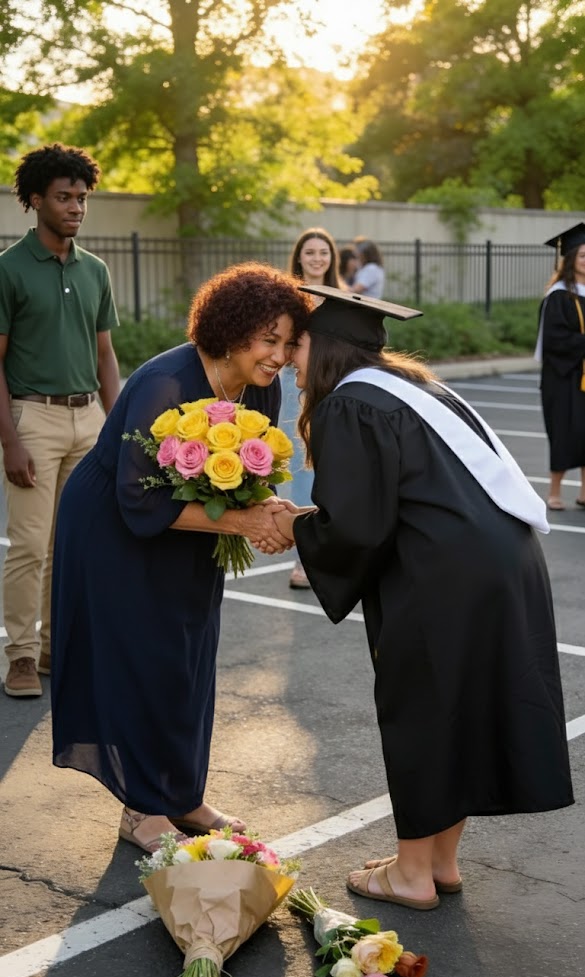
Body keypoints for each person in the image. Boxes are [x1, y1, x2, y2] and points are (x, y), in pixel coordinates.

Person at [274, 285, 574, 911]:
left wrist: (294, 527)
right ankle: (438, 861)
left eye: (295, 346)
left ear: (324, 348)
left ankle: (411, 874)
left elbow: (356, 527)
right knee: (457, 710)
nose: (287, 362)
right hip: (502, 562)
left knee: (421, 711)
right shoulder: (417, 388)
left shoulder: (350, 404)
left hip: (440, 576)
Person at [50, 262, 312, 855]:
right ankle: (142, 809)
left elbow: (251, 476)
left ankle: (185, 794)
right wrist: (245, 522)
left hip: (190, 531)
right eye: (267, 340)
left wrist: (270, 510)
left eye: (288, 343)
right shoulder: (165, 383)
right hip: (113, 527)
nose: (278, 356)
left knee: (188, 654)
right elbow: (138, 497)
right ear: (232, 330)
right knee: (142, 658)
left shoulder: (261, 386)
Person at [0, 142, 120, 699]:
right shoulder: (8, 269)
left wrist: (117, 428)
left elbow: (105, 356)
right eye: (63, 197)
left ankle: (54, 647)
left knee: (73, 543)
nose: (75, 207)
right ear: (34, 200)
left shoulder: (95, 270)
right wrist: (10, 440)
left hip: (88, 419)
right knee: (29, 545)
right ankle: (21, 656)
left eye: (82, 198)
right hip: (33, 420)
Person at [282, 228, 341, 589]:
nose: (317, 258)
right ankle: (305, 558)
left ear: (331, 258)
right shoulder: (290, 299)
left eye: (323, 252)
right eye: (310, 252)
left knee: (336, 467)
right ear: (299, 257)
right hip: (296, 386)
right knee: (303, 470)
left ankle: (337, 552)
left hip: (335, 386)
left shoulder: (343, 300)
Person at [534, 222, 585, 511]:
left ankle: (584, 492)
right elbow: (555, 341)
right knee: (564, 432)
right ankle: (554, 491)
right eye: (583, 255)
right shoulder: (558, 296)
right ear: (571, 258)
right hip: (564, 377)